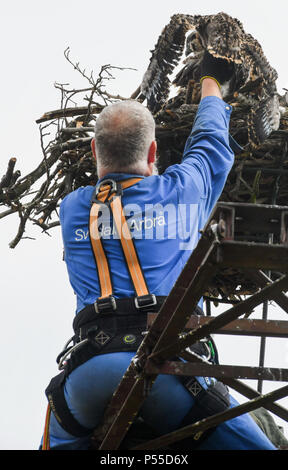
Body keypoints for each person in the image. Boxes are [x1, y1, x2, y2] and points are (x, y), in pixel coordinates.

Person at [40, 51, 277, 450]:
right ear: (154, 155)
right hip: (163, 374)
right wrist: (211, 81)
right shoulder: (181, 192)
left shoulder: (73, 209)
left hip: (84, 378)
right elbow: (209, 143)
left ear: (94, 153)